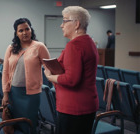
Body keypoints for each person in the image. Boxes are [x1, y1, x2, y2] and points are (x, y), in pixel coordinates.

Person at [44, 6, 99, 134]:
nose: (61, 25)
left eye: (64, 21)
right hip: (85, 105)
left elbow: (71, 79)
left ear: (77, 24)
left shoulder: (74, 46)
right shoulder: (89, 42)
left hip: (74, 108)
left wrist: (50, 76)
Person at [2, 18, 50, 134]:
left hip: (31, 95)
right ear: (16, 33)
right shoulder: (11, 48)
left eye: (27, 29)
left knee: (29, 124)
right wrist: (5, 93)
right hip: (14, 93)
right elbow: (5, 72)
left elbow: (49, 67)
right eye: (21, 30)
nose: (25, 33)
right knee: (16, 123)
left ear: (31, 30)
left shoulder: (39, 46)